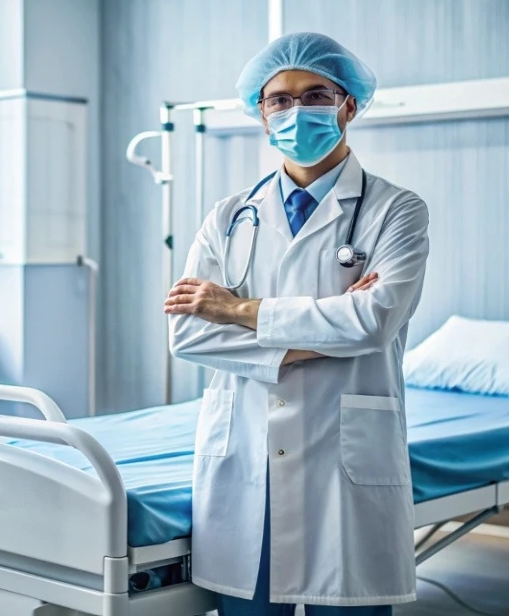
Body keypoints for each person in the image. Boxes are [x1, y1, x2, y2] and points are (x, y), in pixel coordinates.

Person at [164, 32, 429, 615]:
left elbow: (372, 323)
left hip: (344, 463)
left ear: (348, 105)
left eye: (314, 95)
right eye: (278, 100)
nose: (294, 111)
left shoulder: (396, 210)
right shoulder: (230, 216)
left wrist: (234, 309)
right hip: (246, 456)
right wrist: (307, 343)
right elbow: (186, 333)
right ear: (260, 114)